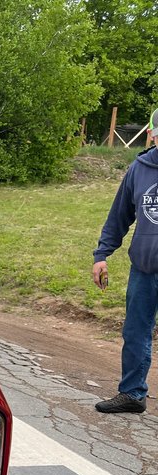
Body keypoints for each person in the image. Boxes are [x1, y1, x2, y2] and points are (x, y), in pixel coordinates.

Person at [93, 107, 158, 413]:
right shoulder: (139, 169)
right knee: (135, 333)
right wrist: (102, 254)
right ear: (152, 134)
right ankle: (132, 393)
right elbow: (119, 216)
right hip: (144, 270)